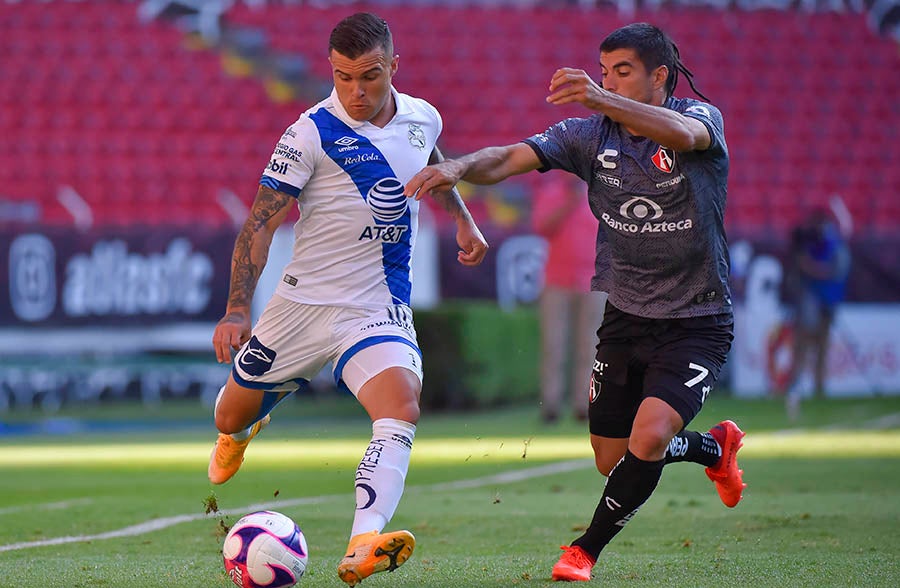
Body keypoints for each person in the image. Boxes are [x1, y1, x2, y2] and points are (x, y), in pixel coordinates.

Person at [405, 23, 746, 582]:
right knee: (613, 459)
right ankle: (713, 450)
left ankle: (583, 551)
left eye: (623, 71)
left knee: (650, 436)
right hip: (625, 316)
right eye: (604, 70)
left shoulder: (702, 121)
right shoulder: (590, 136)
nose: (608, 81)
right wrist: (458, 168)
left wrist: (598, 95)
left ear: (660, 76)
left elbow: (683, 136)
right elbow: (510, 158)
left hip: (698, 318)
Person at [207, 13, 488, 587]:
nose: (356, 92)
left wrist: (462, 220)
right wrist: (238, 308)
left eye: (370, 77)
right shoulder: (309, 132)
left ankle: (364, 539)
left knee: (401, 403)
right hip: (300, 308)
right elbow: (261, 223)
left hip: (375, 305)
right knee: (228, 413)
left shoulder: (421, 116)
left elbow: (432, 162)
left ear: (394, 67)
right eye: (343, 77)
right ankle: (242, 430)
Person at [532, 171, 607, 423]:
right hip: (557, 280)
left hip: (592, 278)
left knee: (590, 345)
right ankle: (550, 404)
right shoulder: (553, 191)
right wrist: (569, 201)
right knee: (554, 343)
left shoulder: (600, 192)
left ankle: (583, 405)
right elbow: (541, 226)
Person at [780, 208, 850, 419]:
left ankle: (819, 388)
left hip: (825, 303)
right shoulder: (809, 245)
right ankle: (795, 388)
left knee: (820, 347)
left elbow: (832, 272)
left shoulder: (834, 247)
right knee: (801, 347)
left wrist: (808, 265)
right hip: (808, 304)